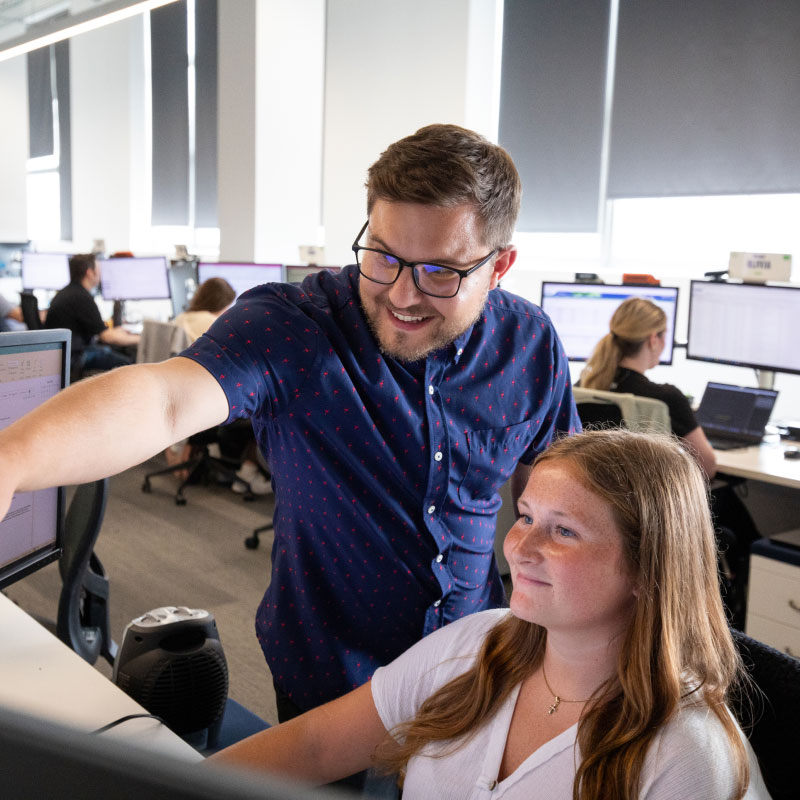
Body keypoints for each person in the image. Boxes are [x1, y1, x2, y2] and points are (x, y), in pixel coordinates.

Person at [0, 125, 578, 732]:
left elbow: (563, 492)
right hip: (334, 676)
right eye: (381, 256)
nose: (401, 294)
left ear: (501, 265)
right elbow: (166, 400)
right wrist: (13, 457)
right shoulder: (295, 328)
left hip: (476, 666)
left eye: (438, 271)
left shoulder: (529, 345)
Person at [209, 429, 769, 800]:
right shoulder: (478, 643)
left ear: (649, 569)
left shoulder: (687, 758)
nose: (519, 547)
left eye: (564, 531)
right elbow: (314, 747)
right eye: (525, 516)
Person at [579, 296, 716, 478]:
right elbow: (707, 467)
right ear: (653, 340)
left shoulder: (583, 388)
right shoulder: (666, 399)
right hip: (648, 504)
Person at [45, 253, 140, 376]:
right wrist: (141, 339)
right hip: (75, 357)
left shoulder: (69, 292)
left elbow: (99, 330)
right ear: (90, 273)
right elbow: (107, 337)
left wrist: (119, 332)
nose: (100, 274)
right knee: (129, 364)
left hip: (63, 355)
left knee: (108, 351)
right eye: (98, 269)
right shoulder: (81, 297)